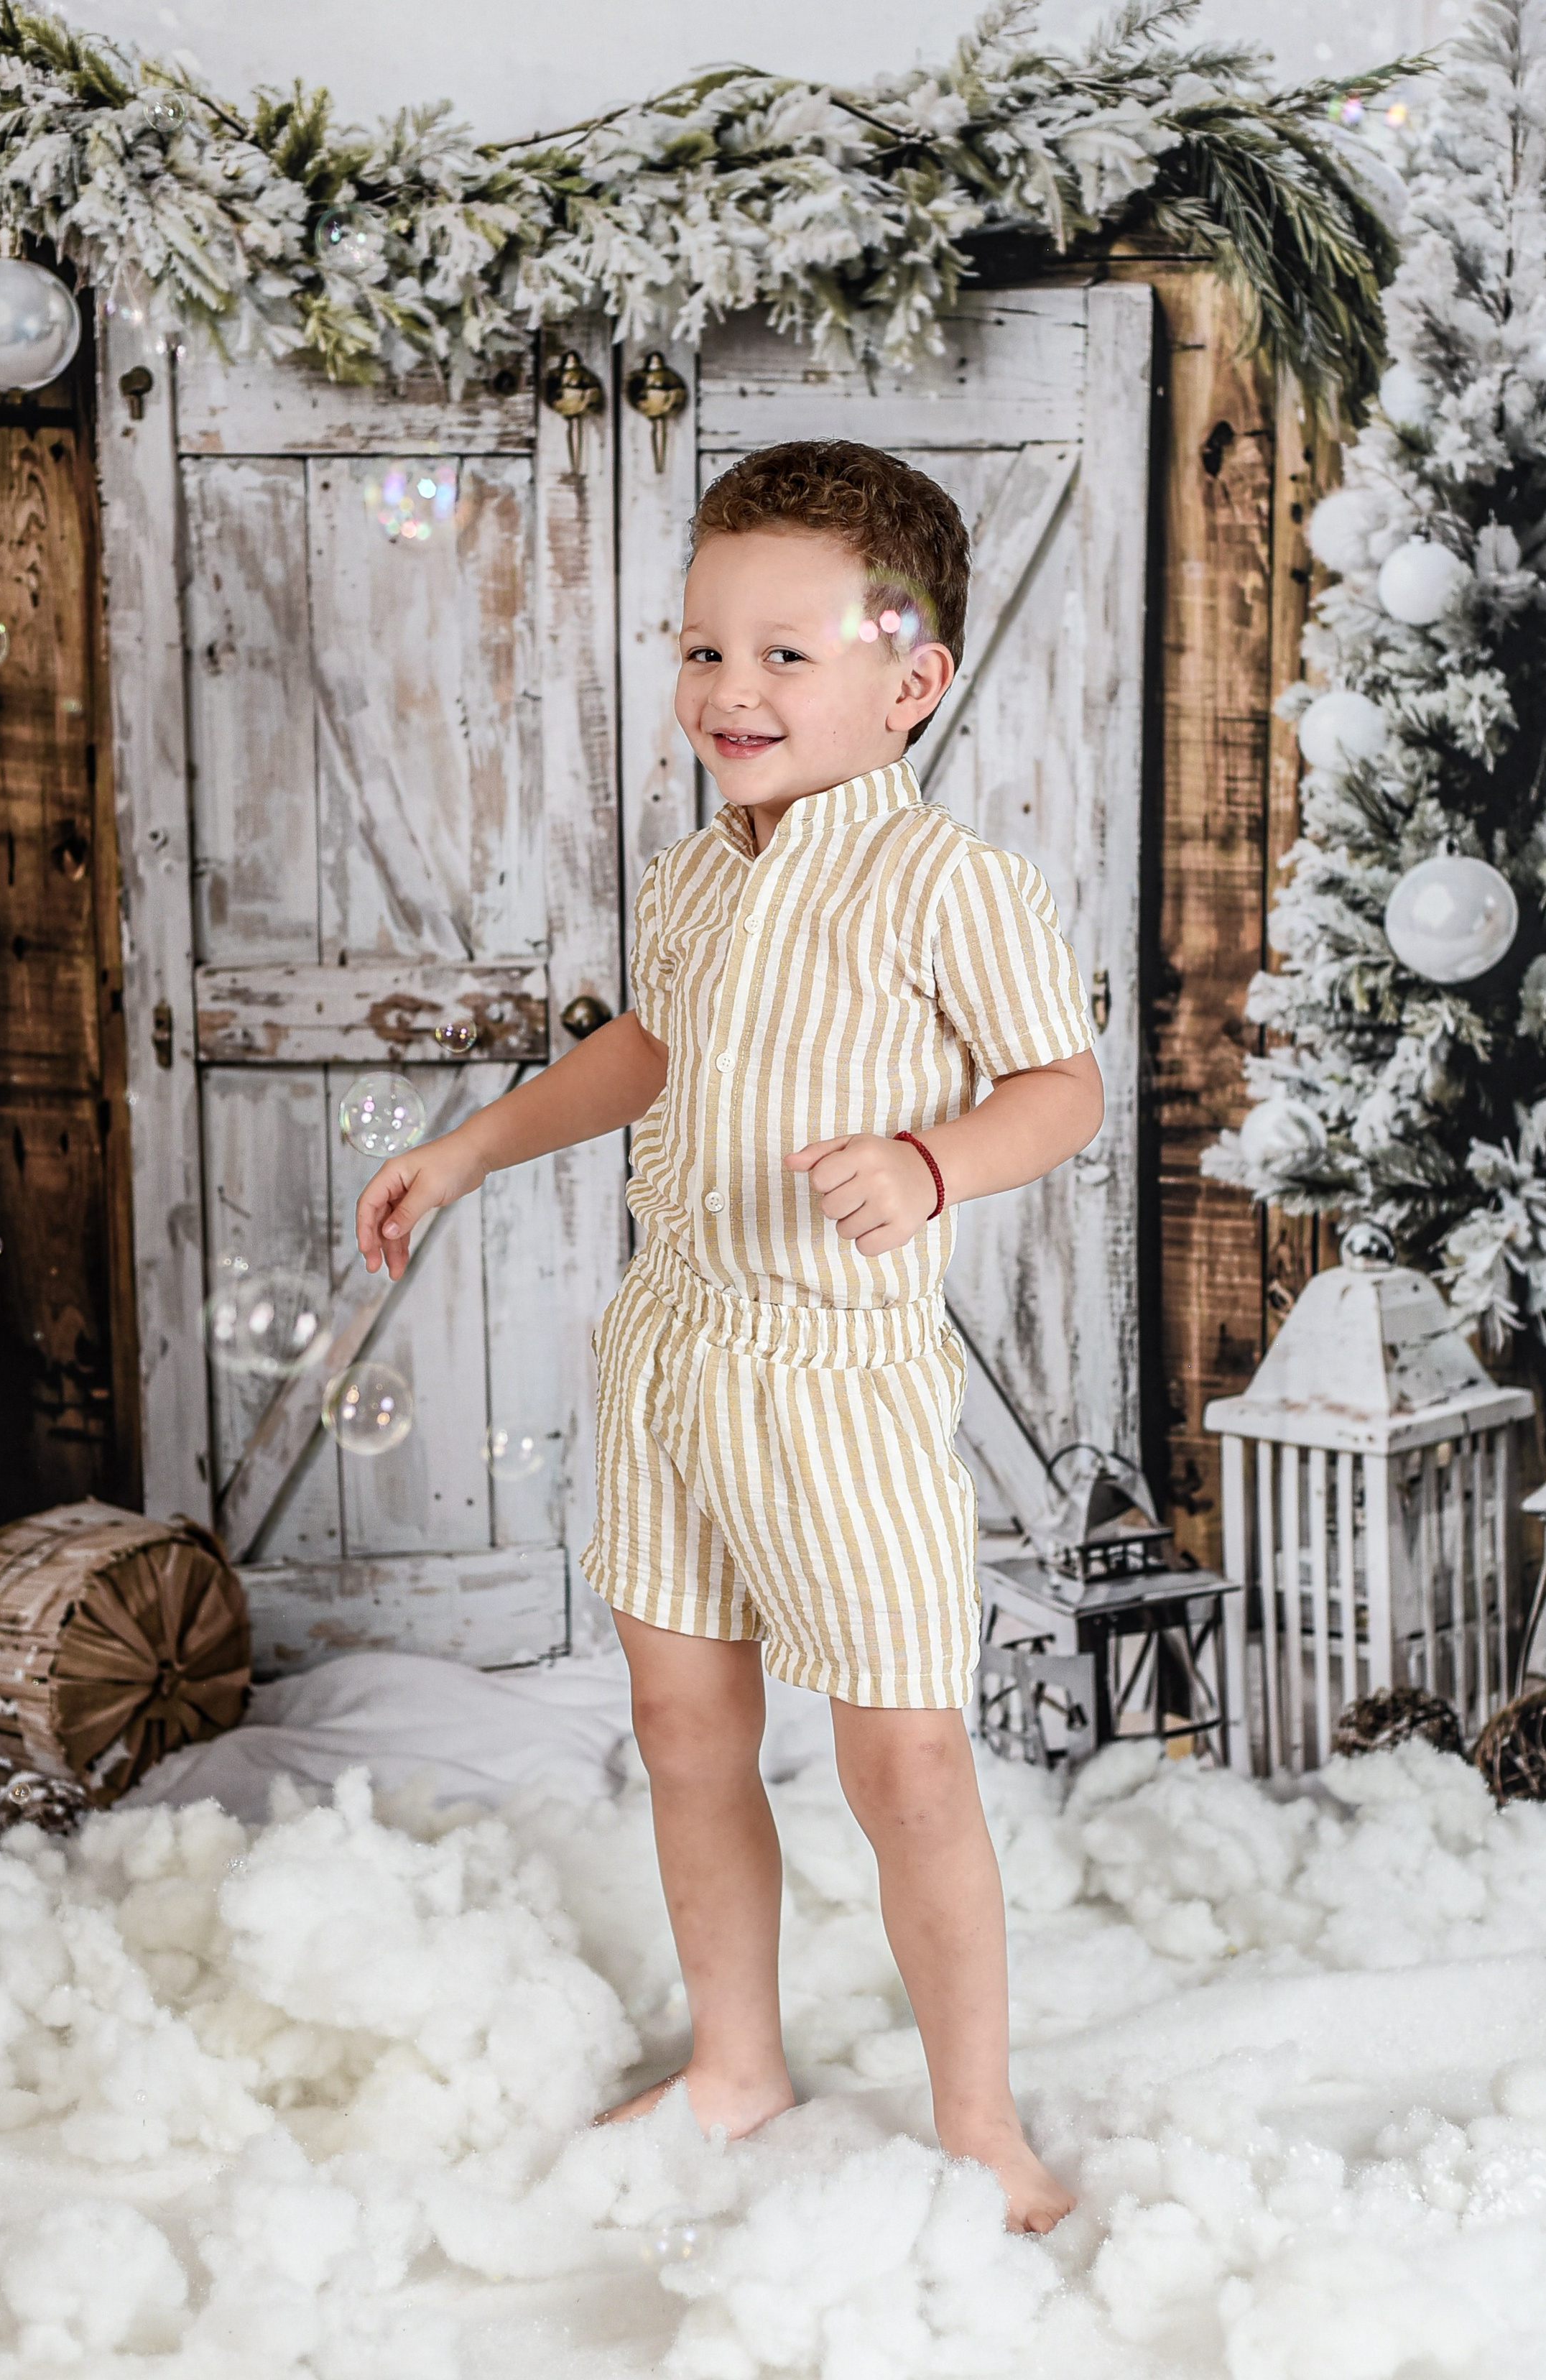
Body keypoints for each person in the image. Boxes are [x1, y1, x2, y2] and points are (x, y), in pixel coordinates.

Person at [354, 440, 1101, 2233]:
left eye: (784, 653)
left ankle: (980, 2123)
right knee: (684, 1727)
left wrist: (933, 1163)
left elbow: (1060, 1089)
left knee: (901, 1761)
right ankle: (736, 2064)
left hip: (832, 1380)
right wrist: (468, 1146)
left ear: (908, 681)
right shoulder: (695, 882)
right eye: (702, 650)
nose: (729, 690)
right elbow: (649, 1054)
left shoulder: (946, 885)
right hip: (675, 1356)